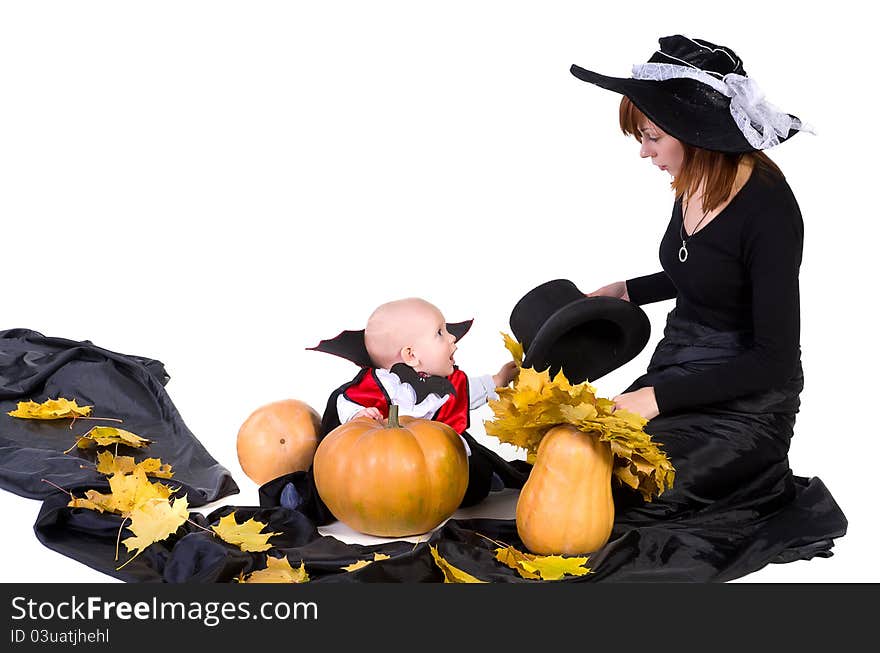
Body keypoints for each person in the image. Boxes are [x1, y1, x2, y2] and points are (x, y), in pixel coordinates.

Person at [568, 33, 848, 560]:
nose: (644, 152)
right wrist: (628, 290)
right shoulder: (692, 178)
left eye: (651, 137)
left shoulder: (769, 212)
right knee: (586, 457)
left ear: (692, 133)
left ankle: (751, 478)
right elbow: (700, 269)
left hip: (748, 401)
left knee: (635, 489)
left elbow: (773, 359)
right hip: (680, 368)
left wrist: (653, 401)